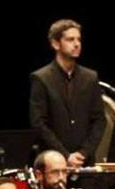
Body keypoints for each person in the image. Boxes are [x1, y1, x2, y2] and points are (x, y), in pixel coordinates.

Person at [29, 19, 105, 168]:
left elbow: (99, 120)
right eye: (70, 39)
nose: (77, 44)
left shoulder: (90, 77)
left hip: (85, 162)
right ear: (55, 44)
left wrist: (84, 152)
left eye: (79, 39)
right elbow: (39, 123)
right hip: (53, 163)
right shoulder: (41, 78)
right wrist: (65, 155)